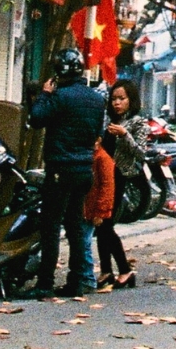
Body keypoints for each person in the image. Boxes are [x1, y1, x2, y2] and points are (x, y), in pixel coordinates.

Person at [24, 48, 106, 298]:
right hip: (83, 170)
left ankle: (45, 283)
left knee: (51, 227)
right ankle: (77, 280)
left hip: (60, 168)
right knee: (75, 226)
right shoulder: (96, 99)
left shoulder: (59, 96)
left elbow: (36, 119)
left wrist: (44, 96)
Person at [97, 80, 148, 288]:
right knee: (99, 223)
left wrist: (124, 134)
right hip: (102, 173)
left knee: (107, 224)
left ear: (131, 100)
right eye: (114, 99)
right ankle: (106, 270)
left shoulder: (137, 123)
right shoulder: (108, 120)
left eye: (122, 99)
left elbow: (141, 152)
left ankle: (125, 269)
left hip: (119, 175)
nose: (117, 103)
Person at [82, 136, 114, 290]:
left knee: (84, 243)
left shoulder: (102, 158)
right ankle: (85, 277)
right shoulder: (91, 157)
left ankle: (88, 278)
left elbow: (108, 187)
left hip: (92, 208)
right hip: (86, 207)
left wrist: (101, 211)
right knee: (83, 242)